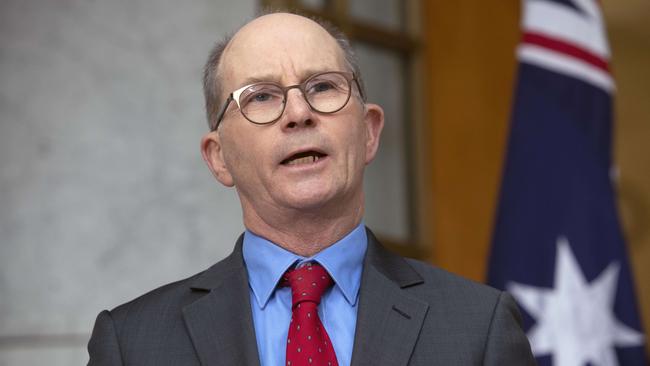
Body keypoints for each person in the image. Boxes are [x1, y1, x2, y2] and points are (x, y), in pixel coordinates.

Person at [87, 12, 535, 366]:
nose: (298, 113)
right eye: (261, 96)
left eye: (322, 87)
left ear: (370, 133)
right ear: (218, 157)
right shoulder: (133, 343)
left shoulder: (479, 327)